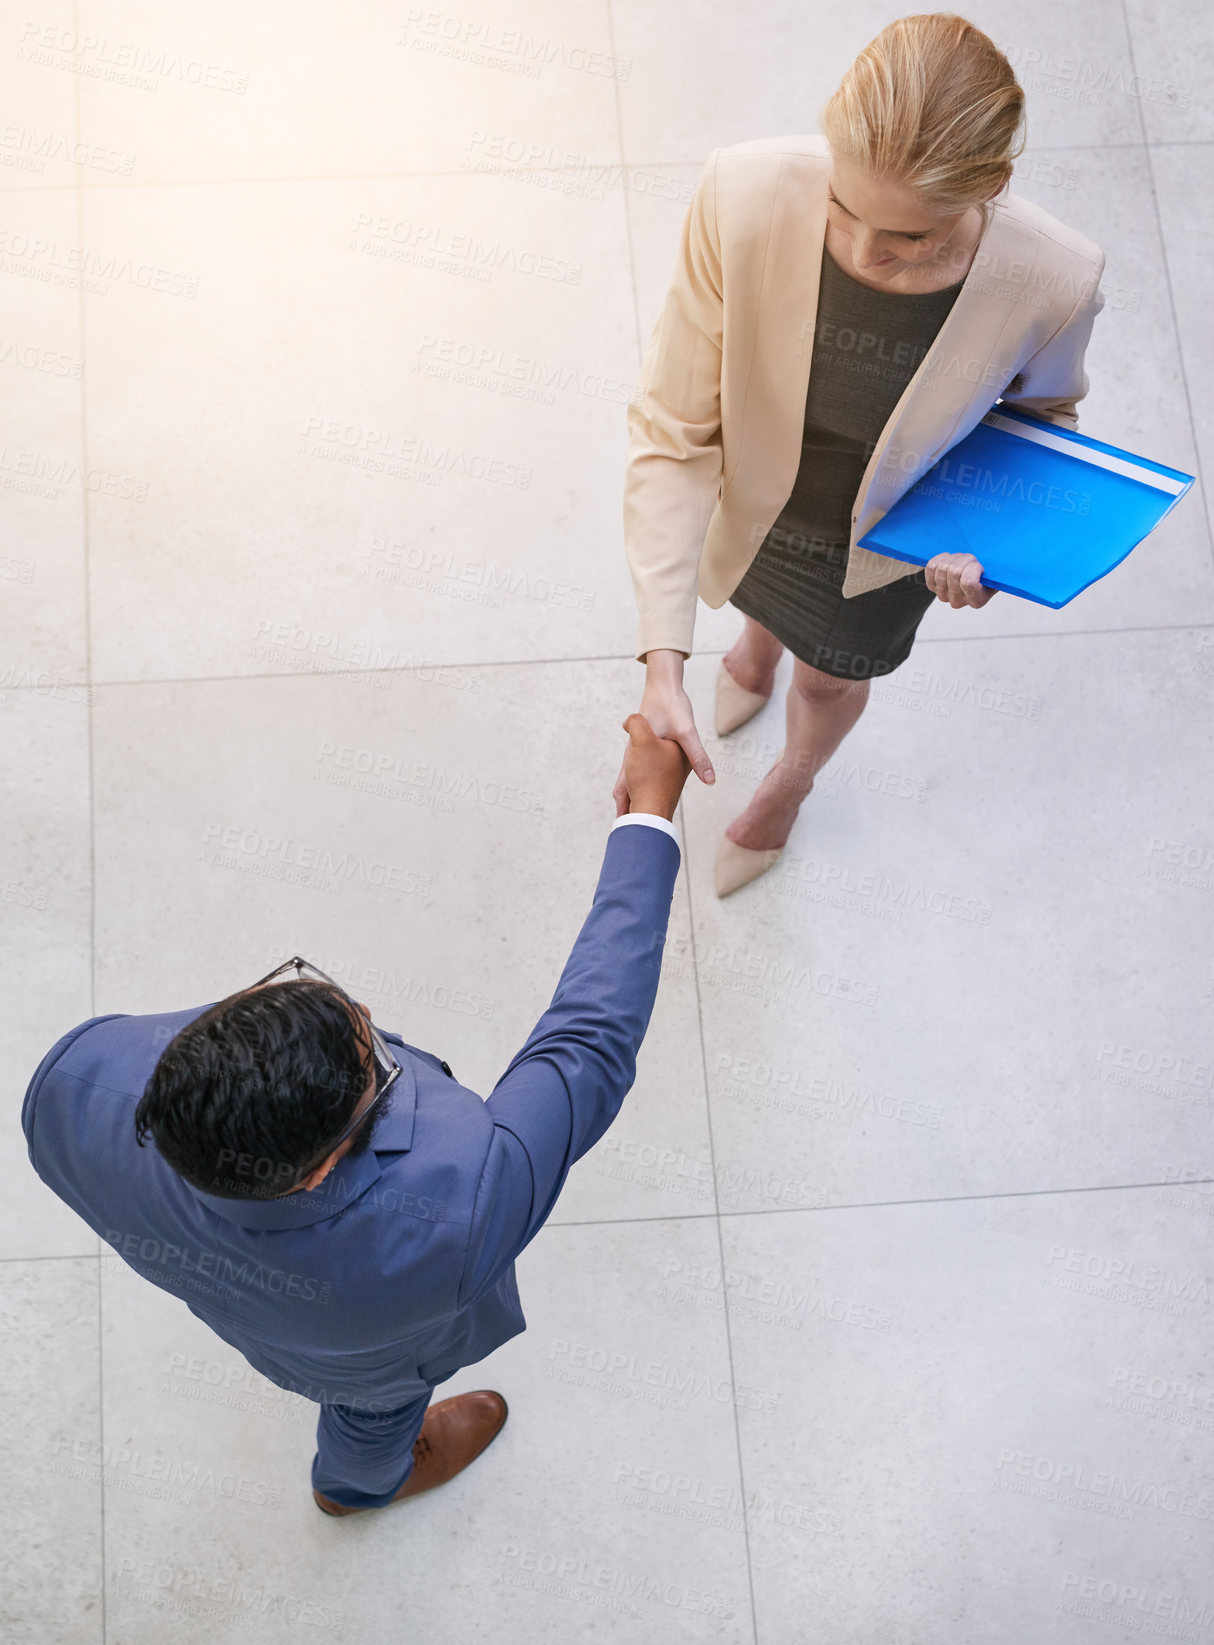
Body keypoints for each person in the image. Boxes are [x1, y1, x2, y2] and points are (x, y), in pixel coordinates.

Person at [22, 716, 690, 1517]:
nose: (367, 1014)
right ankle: (356, 1485)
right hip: (358, 1361)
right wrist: (648, 811)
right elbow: (589, 1041)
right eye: (371, 1055)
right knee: (372, 1413)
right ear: (321, 1165)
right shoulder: (460, 1207)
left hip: (232, 1306)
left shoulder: (76, 1081)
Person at [616, 12, 1106, 896]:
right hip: (759, 506)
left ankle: (790, 785)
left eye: (911, 238)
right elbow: (673, 427)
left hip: (884, 554)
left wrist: (991, 543)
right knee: (752, 609)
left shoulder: (1055, 278)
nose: (864, 252)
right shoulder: (742, 192)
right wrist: (663, 661)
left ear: (988, 184)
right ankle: (749, 656)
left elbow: (1047, 417)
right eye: (842, 208)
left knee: (826, 686)